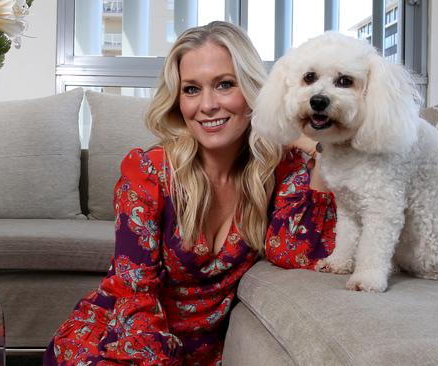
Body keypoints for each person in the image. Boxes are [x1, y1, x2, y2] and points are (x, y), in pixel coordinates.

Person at [43, 21, 336, 366]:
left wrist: (316, 147)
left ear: (254, 92)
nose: (207, 105)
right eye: (192, 89)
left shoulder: (277, 170)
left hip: (204, 353)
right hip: (122, 339)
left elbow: (301, 252)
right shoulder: (148, 172)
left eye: (225, 85)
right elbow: (134, 292)